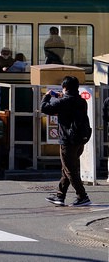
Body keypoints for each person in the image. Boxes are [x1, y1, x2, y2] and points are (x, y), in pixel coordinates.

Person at [41, 76, 91, 207]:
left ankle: (82, 196)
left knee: (70, 170)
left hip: (67, 141)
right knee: (67, 168)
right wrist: (61, 97)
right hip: (81, 139)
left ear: (65, 88)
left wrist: (47, 96)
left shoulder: (62, 102)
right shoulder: (81, 101)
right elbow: (69, 107)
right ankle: (60, 196)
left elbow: (44, 108)